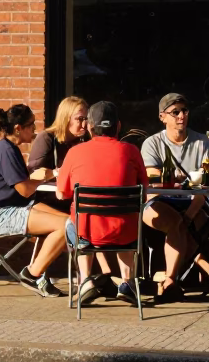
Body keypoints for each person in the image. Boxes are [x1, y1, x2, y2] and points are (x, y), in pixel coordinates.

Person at [139, 92, 209, 301]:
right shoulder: (152, 143)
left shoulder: (202, 142)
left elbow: (207, 183)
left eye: (184, 111)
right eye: (175, 112)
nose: (181, 116)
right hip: (160, 201)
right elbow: (152, 178)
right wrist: (175, 178)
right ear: (162, 117)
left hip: (194, 202)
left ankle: (169, 279)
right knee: (176, 224)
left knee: (187, 225)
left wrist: (189, 215)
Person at [56, 101, 146, 306]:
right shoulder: (131, 151)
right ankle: (128, 282)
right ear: (118, 126)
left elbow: (61, 193)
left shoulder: (75, 152)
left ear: (89, 126)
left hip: (87, 234)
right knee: (127, 220)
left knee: (72, 222)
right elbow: (143, 194)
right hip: (125, 234)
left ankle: (86, 281)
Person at [0, 104, 68, 297]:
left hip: (11, 207)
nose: (35, 128)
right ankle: (32, 275)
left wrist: (42, 176)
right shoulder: (6, 151)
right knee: (64, 227)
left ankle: (40, 275)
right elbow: (25, 190)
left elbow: (23, 185)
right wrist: (43, 177)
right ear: (18, 128)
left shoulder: (10, 148)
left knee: (70, 222)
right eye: (31, 124)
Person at [27, 96, 90, 172]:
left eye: (86, 119)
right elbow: (33, 172)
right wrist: (56, 173)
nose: (84, 124)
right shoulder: (46, 138)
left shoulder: (86, 140)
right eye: (80, 119)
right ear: (65, 118)